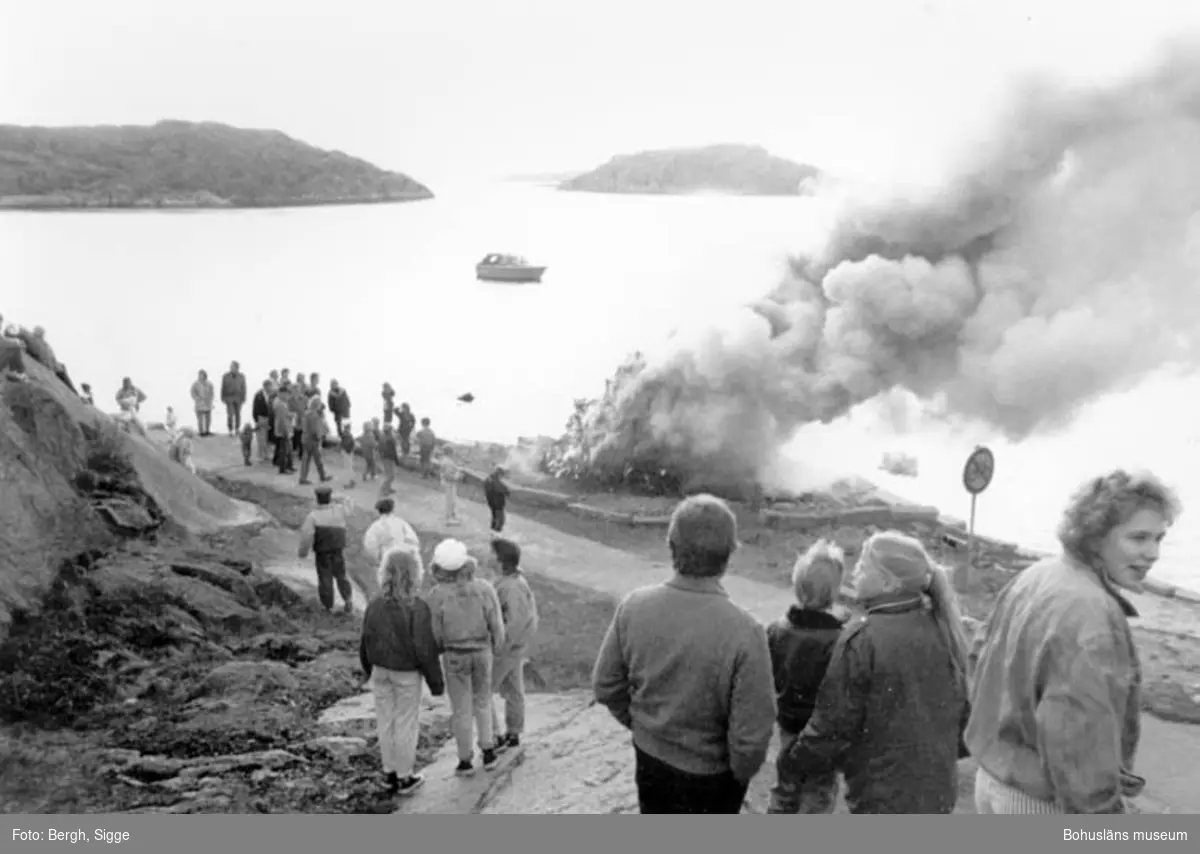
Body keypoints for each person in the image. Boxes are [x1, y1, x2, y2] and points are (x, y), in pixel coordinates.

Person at [966, 470, 1180, 814]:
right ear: (1095, 537)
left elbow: (979, 657)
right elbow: (1078, 738)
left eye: (1159, 539)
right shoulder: (1091, 615)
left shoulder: (1037, 574)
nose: (1153, 553)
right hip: (1041, 802)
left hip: (992, 780)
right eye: (1138, 538)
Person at [592, 494, 776, 814]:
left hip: (649, 759)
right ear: (729, 554)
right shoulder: (746, 632)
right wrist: (739, 774)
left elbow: (606, 685)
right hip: (713, 779)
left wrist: (643, 727)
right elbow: (752, 734)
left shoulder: (634, 606)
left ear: (671, 545)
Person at [778, 530, 971, 814]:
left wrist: (793, 761)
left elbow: (832, 727)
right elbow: (961, 718)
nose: (855, 571)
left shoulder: (863, 639)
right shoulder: (943, 628)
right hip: (938, 791)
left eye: (864, 566)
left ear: (888, 583)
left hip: (882, 796)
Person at [765, 540, 848, 814]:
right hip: (822, 736)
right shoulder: (838, 641)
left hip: (788, 726)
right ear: (833, 593)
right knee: (817, 795)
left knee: (785, 789)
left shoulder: (777, 630)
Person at [360, 547, 445, 797]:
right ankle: (405, 776)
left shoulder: (374, 604)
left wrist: (368, 669)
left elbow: (365, 639)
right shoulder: (417, 607)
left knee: (385, 721)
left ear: (385, 572)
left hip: (380, 670)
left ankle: (389, 773)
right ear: (414, 573)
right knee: (406, 723)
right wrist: (436, 683)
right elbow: (424, 648)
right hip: (406, 673)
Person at [425, 538, 506, 776]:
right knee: (482, 701)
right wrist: (497, 645)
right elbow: (496, 622)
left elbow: (435, 630)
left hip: (454, 654)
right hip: (481, 651)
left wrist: (440, 648)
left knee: (460, 708)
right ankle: (489, 749)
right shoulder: (483, 588)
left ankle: (464, 759)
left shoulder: (437, 595)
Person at [489, 537, 539, 753]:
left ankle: (493, 736)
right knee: (512, 687)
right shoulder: (508, 582)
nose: (486, 556)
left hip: (507, 648)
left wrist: (501, 645)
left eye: (491, 553)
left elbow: (517, 622)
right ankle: (513, 732)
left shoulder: (512, 587)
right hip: (513, 648)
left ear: (501, 562)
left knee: (482, 692)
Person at [297, 485, 355, 614]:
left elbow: (307, 535)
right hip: (337, 550)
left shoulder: (313, 516)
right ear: (330, 498)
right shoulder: (339, 510)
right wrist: (337, 496)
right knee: (341, 575)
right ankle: (348, 599)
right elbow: (349, 503)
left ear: (317, 499)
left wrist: (303, 552)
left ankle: (328, 606)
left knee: (325, 579)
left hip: (322, 552)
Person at [363, 497, 422, 576]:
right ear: (392, 510)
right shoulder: (401, 523)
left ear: (378, 511)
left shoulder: (375, 526)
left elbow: (370, 545)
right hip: (403, 557)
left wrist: (377, 559)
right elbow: (413, 540)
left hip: (387, 559)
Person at [298, 396, 333, 485]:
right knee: (317, 459)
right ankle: (322, 476)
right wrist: (320, 436)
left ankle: (304, 477)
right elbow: (315, 429)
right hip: (312, 440)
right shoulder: (314, 415)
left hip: (305, 438)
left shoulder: (307, 413)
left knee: (306, 459)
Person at [220, 360, 247, 437]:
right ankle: (230, 430)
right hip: (229, 397)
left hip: (238, 398)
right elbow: (223, 387)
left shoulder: (242, 376)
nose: (231, 368)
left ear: (237, 368)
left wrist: (244, 398)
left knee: (238, 414)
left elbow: (244, 388)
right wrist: (222, 397)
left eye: (233, 367)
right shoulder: (225, 376)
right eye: (231, 367)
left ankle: (237, 429)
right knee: (230, 414)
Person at [272, 387, 296, 474]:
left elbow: (283, 415)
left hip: (285, 429)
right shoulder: (280, 404)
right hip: (284, 430)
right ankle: (283, 468)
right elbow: (282, 419)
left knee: (288, 450)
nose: (288, 396)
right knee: (284, 451)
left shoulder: (281, 403)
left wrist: (289, 415)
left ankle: (289, 466)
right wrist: (286, 431)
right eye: (287, 394)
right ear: (282, 393)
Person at [484, 466, 510, 533]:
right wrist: (507, 491)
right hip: (497, 504)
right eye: (503, 474)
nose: (503, 476)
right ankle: (496, 535)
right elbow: (506, 490)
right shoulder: (495, 482)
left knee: (494, 519)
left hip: (491, 503)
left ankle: (492, 533)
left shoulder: (488, 479)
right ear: (500, 473)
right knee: (500, 520)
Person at [440, 448, 463, 526]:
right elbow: (448, 475)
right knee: (449, 502)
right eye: (453, 452)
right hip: (449, 483)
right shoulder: (448, 462)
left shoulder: (446, 460)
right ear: (450, 452)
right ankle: (448, 519)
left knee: (452, 501)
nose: (454, 453)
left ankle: (453, 515)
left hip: (448, 483)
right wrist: (457, 476)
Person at [252, 380, 273, 463]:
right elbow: (255, 408)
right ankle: (260, 455)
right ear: (265, 386)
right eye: (268, 386)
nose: (270, 388)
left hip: (270, 418)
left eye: (271, 386)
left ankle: (268, 454)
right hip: (261, 417)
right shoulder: (259, 395)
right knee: (261, 438)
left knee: (269, 438)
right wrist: (256, 420)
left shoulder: (272, 395)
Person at [190, 369, 215, 437]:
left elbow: (212, 393)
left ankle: (207, 431)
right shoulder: (195, 384)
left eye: (202, 375)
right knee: (200, 420)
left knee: (208, 419)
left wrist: (210, 400)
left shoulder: (209, 384)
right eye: (199, 375)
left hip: (207, 404)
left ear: (205, 376)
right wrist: (196, 398)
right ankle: (201, 432)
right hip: (199, 404)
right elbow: (192, 392)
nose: (200, 376)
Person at [378, 424, 400, 496]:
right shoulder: (391, 439)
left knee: (388, 474)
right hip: (389, 458)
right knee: (391, 475)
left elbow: (379, 447)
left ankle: (388, 488)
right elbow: (393, 451)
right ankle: (383, 488)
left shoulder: (382, 436)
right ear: (390, 430)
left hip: (384, 457)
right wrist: (396, 460)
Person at [339, 421, 357, 487]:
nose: (350, 428)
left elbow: (342, 443)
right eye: (349, 427)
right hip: (347, 452)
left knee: (349, 467)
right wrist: (350, 451)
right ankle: (348, 483)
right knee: (348, 467)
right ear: (348, 427)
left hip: (345, 451)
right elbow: (347, 444)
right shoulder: (347, 435)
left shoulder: (344, 434)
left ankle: (351, 480)